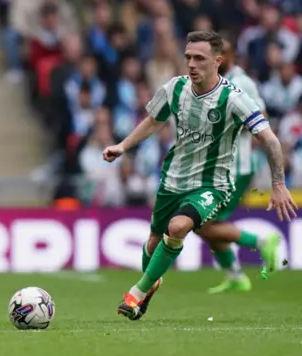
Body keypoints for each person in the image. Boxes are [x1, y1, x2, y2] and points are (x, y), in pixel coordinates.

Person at [102, 30, 297, 321]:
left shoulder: (234, 97)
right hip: (173, 179)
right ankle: (151, 282)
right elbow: (154, 122)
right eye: (188, 57)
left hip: (212, 183)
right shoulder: (175, 88)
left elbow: (269, 138)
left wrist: (278, 184)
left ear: (217, 61)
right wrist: (123, 145)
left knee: (179, 227)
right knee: (154, 244)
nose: (191, 64)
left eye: (199, 58)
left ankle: (136, 293)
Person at [198, 39, 269, 294]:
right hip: (218, 166)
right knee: (205, 224)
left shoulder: (243, 82)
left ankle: (261, 242)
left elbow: (262, 117)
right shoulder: (210, 82)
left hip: (237, 165)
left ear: (231, 56)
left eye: (222, 53)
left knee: (203, 223)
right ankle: (235, 275)